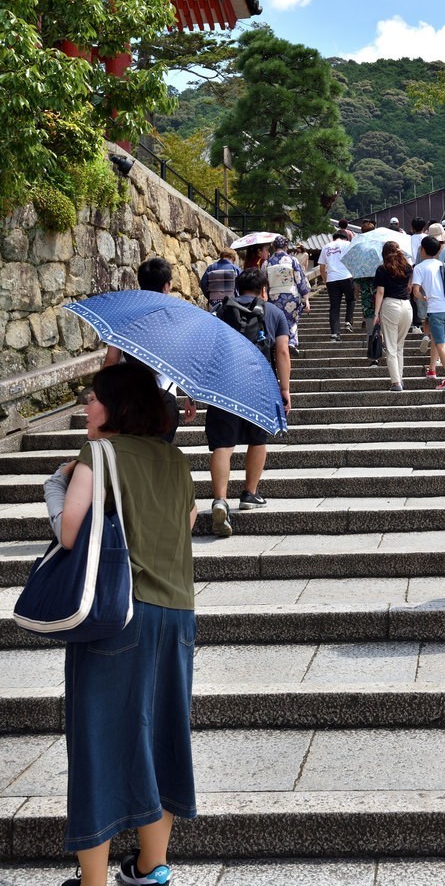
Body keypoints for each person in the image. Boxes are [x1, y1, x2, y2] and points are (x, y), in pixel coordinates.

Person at [45, 362, 197, 886]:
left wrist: (56, 485)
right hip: (176, 614)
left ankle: (93, 881)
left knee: (98, 739)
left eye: (91, 398)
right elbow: (187, 522)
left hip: (118, 615)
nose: (85, 407)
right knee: (163, 735)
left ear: (115, 406)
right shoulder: (176, 460)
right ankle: (152, 868)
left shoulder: (97, 453)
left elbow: (70, 533)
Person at [206, 267, 292, 536]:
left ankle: (220, 499)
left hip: (223, 384)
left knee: (223, 444)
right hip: (259, 384)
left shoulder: (220, 311)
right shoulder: (274, 313)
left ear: (237, 288)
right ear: (264, 289)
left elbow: (207, 349)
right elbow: (282, 352)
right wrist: (285, 390)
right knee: (258, 439)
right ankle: (249, 494)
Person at [103, 257, 196, 441]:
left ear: (141, 282)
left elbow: (111, 359)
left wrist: (104, 395)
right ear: (167, 286)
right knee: (160, 455)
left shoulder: (125, 316)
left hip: (130, 396)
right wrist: (191, 397)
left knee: (133, 455)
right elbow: (187, 361)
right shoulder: (177, 316)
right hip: (164, 396)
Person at [412, 235, 445, 389]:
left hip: (436, 309)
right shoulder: (443, 265)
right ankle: (432, 369)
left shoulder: (419, 267)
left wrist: (424, 298)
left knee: (440, 343)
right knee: (436, 338)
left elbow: (415, 292)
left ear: (422, 249)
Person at [373, 240, 413, 391]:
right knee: (399, 346)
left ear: (384, 253)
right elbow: (409, 288)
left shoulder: (382, 269)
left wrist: (376, 313)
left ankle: (396, 383)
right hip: (407, 307)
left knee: (390, 347)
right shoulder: (408, 267)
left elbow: (380, 292)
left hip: (391, 305)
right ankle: (400, 379)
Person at [264, 235, 310, 350]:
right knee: (292, 320)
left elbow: (264, 282)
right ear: (286, 246)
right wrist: (306, 299)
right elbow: (300, 280)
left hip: (273, 296)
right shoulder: (292, 260)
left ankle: (278, 343)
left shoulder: (267, 263)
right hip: (291, 295)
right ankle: (292, 342)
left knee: (277, 320)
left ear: (274, 247)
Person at [318, 230, 355, 342]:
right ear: (345, 237)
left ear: (334, 238)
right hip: (346, 276)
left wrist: (325, 279)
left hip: (332, 279)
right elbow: (354, 261)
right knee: (351, 300)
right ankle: (348, 321)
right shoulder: (348, 244)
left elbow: (322, 267)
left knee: (334, 307)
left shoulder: (326, 247)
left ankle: (334, 333)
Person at [408, 218, 427, 334]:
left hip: (412, 269)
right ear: (424, 227)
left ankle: (416, 324)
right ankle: (427, 321)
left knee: (413, 297)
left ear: (412, 228)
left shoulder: (408, 239)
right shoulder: (427, 239)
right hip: (426, 267)